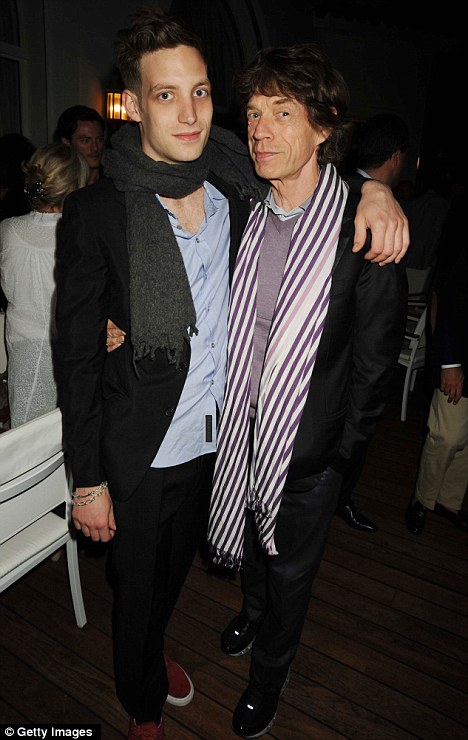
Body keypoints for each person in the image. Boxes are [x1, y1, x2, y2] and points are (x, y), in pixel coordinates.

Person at [54, 8, 408, 740]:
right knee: (136, 589)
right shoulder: (96, 212)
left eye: (201, 92)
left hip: (221, 447)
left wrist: (376, 189)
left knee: (173, 581)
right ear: (134, 104)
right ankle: (141, 701)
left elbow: (314, 174)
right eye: (165, 94)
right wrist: (87, 479)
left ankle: (160, 652)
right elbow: (75, 357)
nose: (189, 113)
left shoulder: (233, 187)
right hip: (141, 450)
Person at [207, 45, 407, 738]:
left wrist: (339, 458)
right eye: (253, 113)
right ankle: (252, 611)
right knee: (253, 545)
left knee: (291, 571)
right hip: (241, 432)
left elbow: (375, 366)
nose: (259, 130)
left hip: (311, 448)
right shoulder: (244, 211)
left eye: (281, 113)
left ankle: (271, 672)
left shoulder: (363, 227)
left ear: (324, 125)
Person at [334, 111, 410, 532]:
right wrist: (353, 440)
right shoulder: (378, 219)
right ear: (396, 157)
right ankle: (338, 493)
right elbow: (377, 349)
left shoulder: (352, 193)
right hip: (341, 389)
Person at [0, 142, 88, 427]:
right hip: (71, 351)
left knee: (30, 437)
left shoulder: (8, 229)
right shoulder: (82, 235)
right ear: (74, 187)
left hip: (25, 349)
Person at [405, 195, 467, 535]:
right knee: (446, 434)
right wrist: (450, 362)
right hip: (460, 356)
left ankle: (449, 500)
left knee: (466, 439)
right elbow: (449, 295)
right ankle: (422, 499)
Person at [55, 105, 105, 184]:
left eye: (99, 139)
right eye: (86, 140)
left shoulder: (116, 182)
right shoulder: (58, 183)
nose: (95, 148)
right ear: (66, 142)